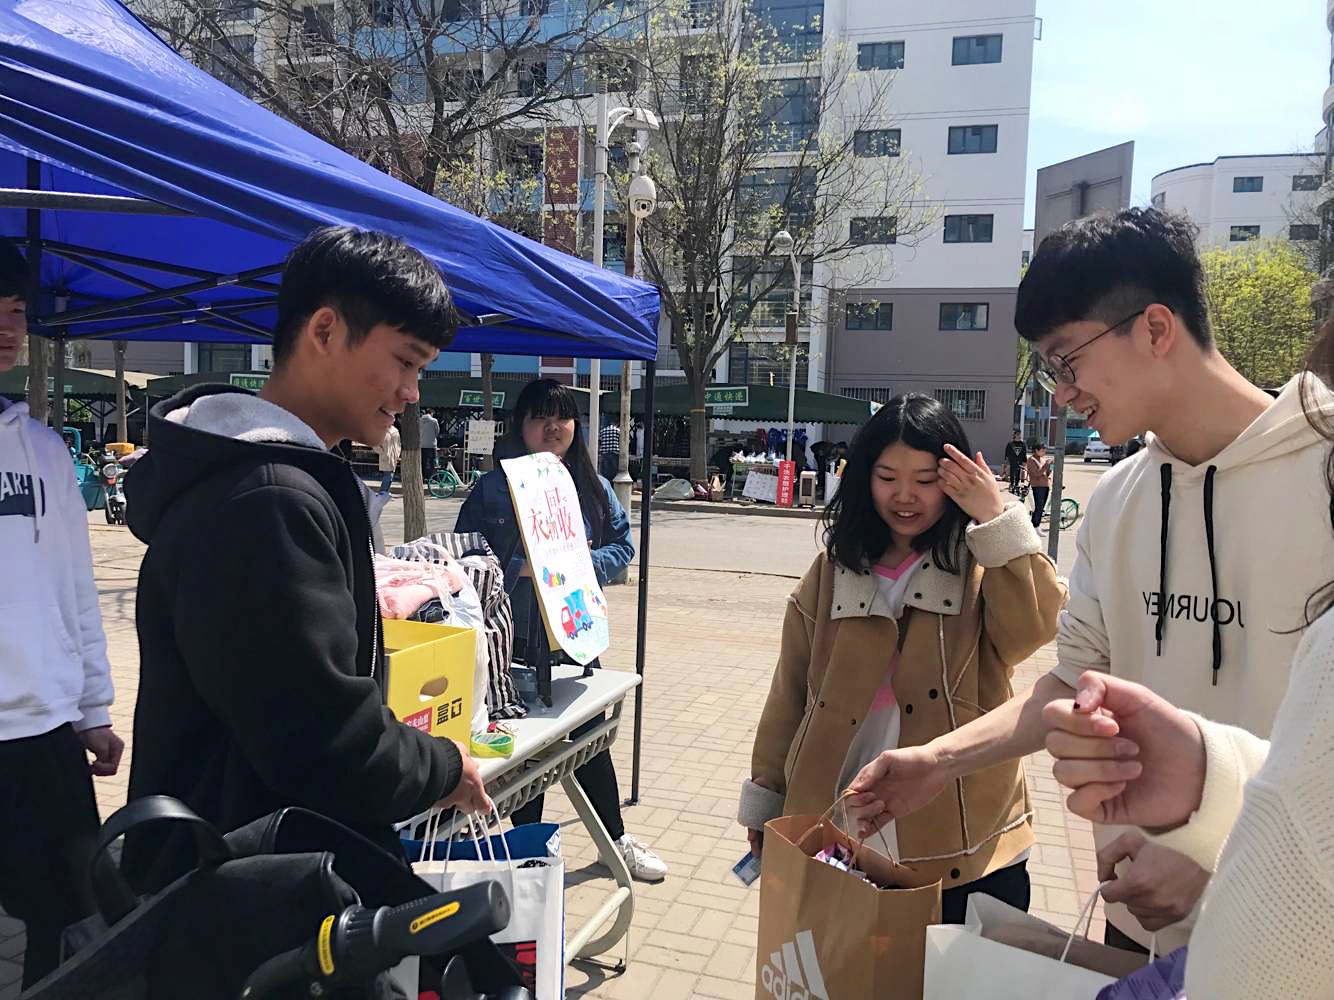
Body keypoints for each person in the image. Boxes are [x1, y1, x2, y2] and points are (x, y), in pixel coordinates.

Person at [845, 208, 1334, 955]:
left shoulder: (1322, 473)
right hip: (1138, 914)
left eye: (1066, 361)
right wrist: (936, 762)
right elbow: (1069, 682)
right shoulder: (1117, 499)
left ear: (1156, 328)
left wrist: (1217, 838)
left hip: (1293, 932)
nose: (1061, 394)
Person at [122, 226, 490, 893]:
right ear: (324, 331)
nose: (411, 391)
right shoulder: (266, 499)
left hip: (250, 865)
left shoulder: (261, 477)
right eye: (405, 361)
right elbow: (323, 740)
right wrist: (441, 767)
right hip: (251, 888)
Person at [740, 395, 1065, 920]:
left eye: (926, 479)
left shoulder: (980, 562)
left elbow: (1034, 629)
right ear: (863, 478)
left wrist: (996, 517)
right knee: (844, 959)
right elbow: (789, 693)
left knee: (956, 962)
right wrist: (766, 801)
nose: (905, 496)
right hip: (841, 813)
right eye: (887, 477)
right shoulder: (833, 569)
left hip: (959, 825)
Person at [456, 378, 668, 882]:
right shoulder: (493, 489)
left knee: (591, 745)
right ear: (519, 425)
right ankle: (531, 859)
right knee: (525, 763)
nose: (553, 427)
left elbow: (623, 546)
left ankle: (615, 841)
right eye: (540, 417)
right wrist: (517, 568)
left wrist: (578, 564)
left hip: (575, 639)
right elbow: (463, 556)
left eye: (563, 417)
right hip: (511, 647)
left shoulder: (591, 486)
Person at [0, 238, 125, 987]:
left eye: (16, 311)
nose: (6, 328)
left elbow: (76, 590)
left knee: (70, 922)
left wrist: (94, 710)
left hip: (46, 734)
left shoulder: (45, 451)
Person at [1024, 442, 1051, 530]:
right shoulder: (1031, 460)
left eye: (1045, 450)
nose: (1044, 452)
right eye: (1042, 450)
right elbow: (1036, 474)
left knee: (1041, 507)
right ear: (1036, 450)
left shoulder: (1042, 459)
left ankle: (1036, 526)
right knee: (1039, 507)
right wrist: (1045, 466)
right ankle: (1035, 526)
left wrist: (1049, 467)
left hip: (1045, 485)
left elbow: (1046, 473)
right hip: (1037, 485)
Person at [374, 420, 401, 495]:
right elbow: (375, 444)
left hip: (394, 457)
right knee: (388, 476)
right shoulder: (381, 430)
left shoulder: (395, 431)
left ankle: (385, 492)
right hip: (385, 456)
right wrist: (382, 453)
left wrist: (397, 454)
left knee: (390, 476)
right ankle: (382, 493)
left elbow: (398, 444)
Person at [597, 417, 622, 482]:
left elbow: (599, 441)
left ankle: (607, 483)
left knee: (605, 472)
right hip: (614, 453)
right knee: (614, 471)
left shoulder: (603, 431)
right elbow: (621, 442)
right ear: (617, 423)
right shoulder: (618, 430)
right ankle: (612, 484)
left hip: (605, 453)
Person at [420, 407, 440, 482]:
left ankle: (423, 477)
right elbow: (437, 432)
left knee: (423, 462)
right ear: (431, 413)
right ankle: (432, 478)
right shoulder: (434, 421)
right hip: (432, 445)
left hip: (422, 445)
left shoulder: (419, 420)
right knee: (433, 462)